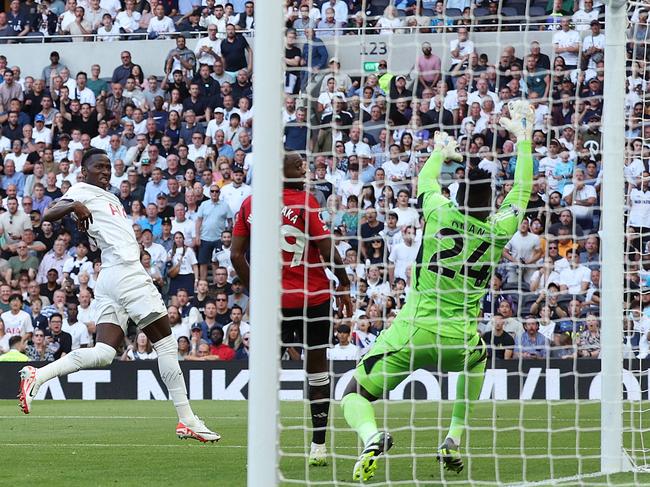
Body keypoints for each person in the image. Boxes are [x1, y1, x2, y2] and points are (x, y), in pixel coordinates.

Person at [338, 101, 534, 481]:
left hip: (412, 329)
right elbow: (522, 192)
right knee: (479, 361)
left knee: (353, 390)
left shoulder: (440, 211)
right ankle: (452, 438)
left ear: (458, 195)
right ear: (491, 202)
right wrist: (523, 141)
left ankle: (372, 436)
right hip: (459, 337)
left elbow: (424, 183)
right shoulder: (498, 230)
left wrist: (440, 154)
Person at [18, 148, 219, 444]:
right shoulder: (80, 189)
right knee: (165, 345)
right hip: (126, 274)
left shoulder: (110, 196)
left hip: (111, 277)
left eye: (108, 166)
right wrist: (74, 204)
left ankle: (38, 376)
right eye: (99, 166)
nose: (105, 170)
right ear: (83, 171)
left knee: (103, 354)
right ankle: (187, 420)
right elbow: (48, 213)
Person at [231, 152, 352, 467]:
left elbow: (235, 256)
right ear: (282, 171)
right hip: (313, 298)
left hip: (276, 304)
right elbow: (326, 248)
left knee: (268, 371)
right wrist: (343, 283)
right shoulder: (305, 201)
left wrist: (258, 290)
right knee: (317, 368)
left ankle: (262, 445)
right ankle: (318, 445)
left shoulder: (250, 204)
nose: (306, 169)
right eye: (299, 165)